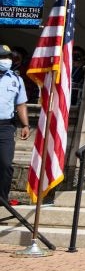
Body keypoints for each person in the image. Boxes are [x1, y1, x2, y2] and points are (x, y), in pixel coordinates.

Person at [0, 44, 31, 205]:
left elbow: (21, 104)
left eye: (7, 57)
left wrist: (25, 125)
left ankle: (2, 200)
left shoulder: (16, 79)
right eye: (2, 57)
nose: (5, 61)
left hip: (5, 127)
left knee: (5, 163)